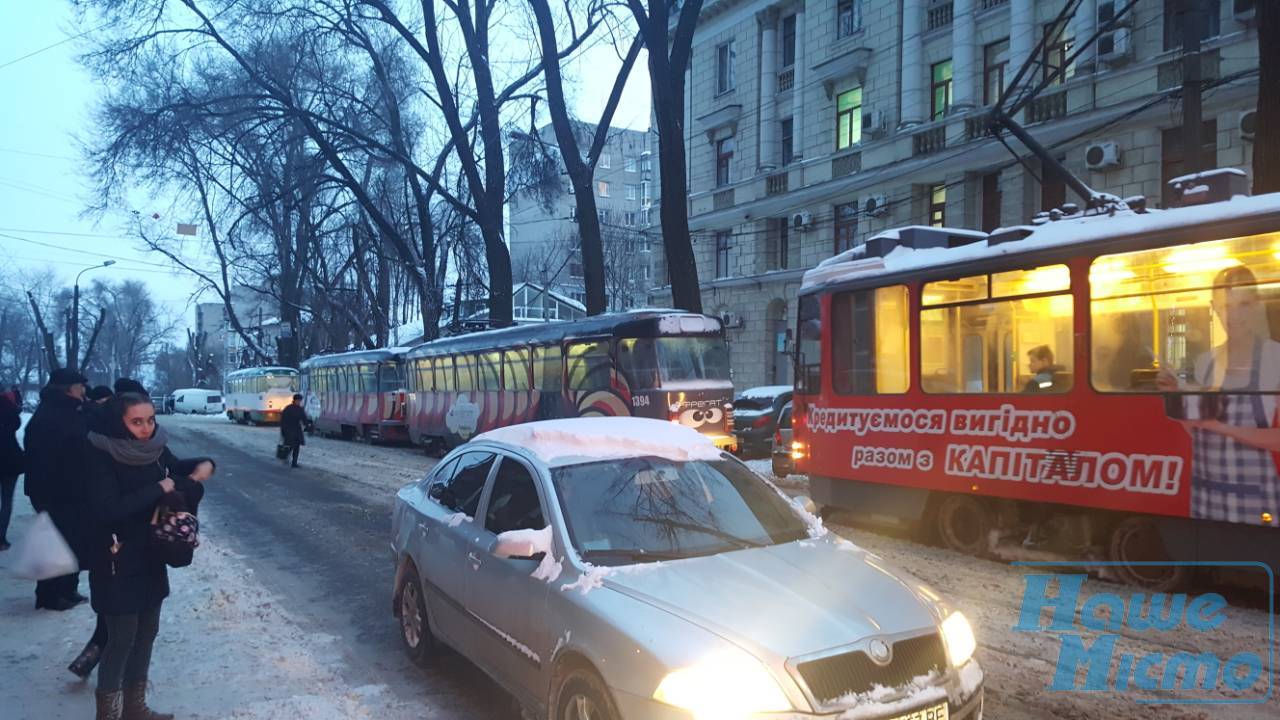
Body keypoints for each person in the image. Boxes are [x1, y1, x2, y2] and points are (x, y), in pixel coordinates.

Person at [1158, 266, 1280, 526]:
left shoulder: (1275, 358)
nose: (1234, 315)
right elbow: (1200, 433)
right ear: (1214, 307)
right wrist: (1175, 397)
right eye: (1226, 305)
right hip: (1205, 495)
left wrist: (1220, 427)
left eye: (1243, 304)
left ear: (1258, 305)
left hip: (1257, 500)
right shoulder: (1206, 362)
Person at [84, 393, 179, 720]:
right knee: (121, 637)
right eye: (136, 421)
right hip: (115, 557)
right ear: (118, 422)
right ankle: (108, 714)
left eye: (150, 420)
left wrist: (199, 471)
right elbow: (108, 509)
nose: (145, 428)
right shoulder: (99, 452)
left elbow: (178, 472)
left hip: (151, 553)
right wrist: (159, 489)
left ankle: (134, 708)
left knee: (147, 632)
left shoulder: (154, 449)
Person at [23, 368, 91, 611]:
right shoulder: (53, 415)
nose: (84, 390)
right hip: (56, 491)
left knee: (72, 541)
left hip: (69, 489)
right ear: (69, 389)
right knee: (55, 542)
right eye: (80, 385)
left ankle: (66, 588)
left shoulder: (68, 410)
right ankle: (49, 595)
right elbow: (49, 457)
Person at [0, 390, 24, 551]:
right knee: (7, 500)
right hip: (9, 459)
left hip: (8, 458)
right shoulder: (8, 407)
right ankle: (1, 537)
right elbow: (16, 423)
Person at [280, 394, 308, 468]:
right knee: (290, 446)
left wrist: (307, 426)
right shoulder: (288, 408)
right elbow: (283, 420)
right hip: (288, 429)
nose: (299, 402)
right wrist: (283, 430)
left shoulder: (299, 409)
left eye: (300, 401)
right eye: (298, 400)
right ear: (294, 400)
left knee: (296, 447)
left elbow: (304, 419)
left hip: (296, 430)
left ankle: (294, 462)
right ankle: (285, 457)